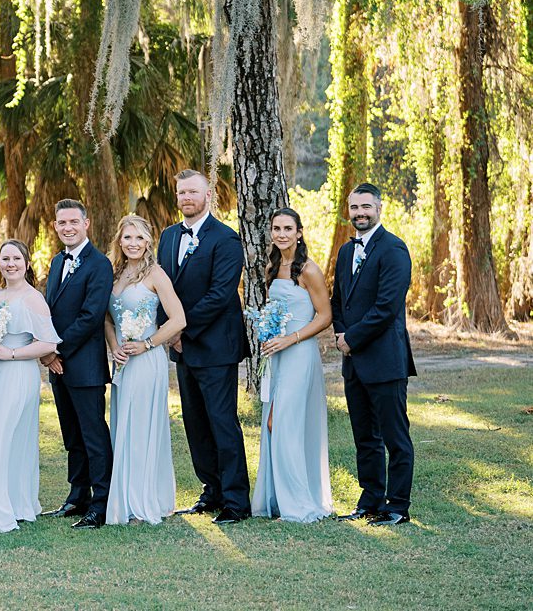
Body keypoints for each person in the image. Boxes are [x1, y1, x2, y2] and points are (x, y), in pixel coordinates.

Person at [156, 169, 251, 524]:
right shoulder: (167, 237)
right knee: (195, 423)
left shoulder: (226, 239)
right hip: (182, 348)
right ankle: (211, 489)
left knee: (222, 422)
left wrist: (179, 329)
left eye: (192, 192)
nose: (186, 198)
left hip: (215, 347)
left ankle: (236, 501)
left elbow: (219, 295)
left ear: (208, 195)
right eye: (181, 193)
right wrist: (170, 332)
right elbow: (160, 289)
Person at [331, 182, 416, 526]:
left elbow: (386, 307)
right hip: (353, 365)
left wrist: (352, 338)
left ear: (379, 208)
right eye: (354, 208)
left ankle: (397, 506)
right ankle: (369, 501)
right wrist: (339, 331)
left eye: (366, 207)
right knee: (365, 438)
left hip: (385, 361)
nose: (360, 214)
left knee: (395, 438)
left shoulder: (394, 249)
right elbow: (339, 300)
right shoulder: (346, 252)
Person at [0, 239, 60, 532]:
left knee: (5, 438)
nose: (11, 264)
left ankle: (5, 508)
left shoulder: (33, 298)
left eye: (16, 258)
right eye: (5, 259)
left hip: (18, 375)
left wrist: (11, 353)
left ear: (26, 263)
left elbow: (48, 343)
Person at [252, 208, 334, 523]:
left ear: (299, 232)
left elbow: (324, 317)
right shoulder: (273, 267)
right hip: (277, 354)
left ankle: (298, 503)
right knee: (272, 422)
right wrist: (269, 334)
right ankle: (277, 499)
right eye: (276, 228)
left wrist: (291, 339)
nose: (282, 234)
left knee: (286, 422)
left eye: (288, 228)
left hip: (299, 354)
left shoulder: (309, 270)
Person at [39, 199, 115, 530]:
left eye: (73, 222)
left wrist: (56, 350)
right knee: (72, 435)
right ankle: (77, 494)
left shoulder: (99, 265)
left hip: (84, 366)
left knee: (93, 434)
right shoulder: (57, 262)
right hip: (59, 367)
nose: (67, 227)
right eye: (61, 223)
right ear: (55, 226)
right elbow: (49, 312)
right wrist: (47, 351)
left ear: (86, 224)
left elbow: (90, 316)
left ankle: (102, 503)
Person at [105, 215, 186, 526]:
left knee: (141, 428)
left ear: (148, 242)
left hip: (147, 359)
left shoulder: (156, 274)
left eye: (139, 238)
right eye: (128, 238)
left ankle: (142, 501)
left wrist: (148, 344)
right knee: (123, 426)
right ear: (119, 241)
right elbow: (108, 319)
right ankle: (124, 497)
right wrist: (114, 346)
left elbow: (178, 319)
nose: (133, 244)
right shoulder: (115, 274)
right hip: (122, 361)